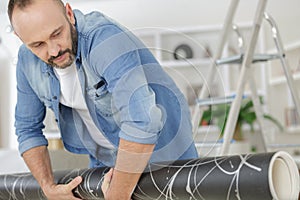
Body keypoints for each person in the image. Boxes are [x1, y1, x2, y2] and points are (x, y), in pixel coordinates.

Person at [8, 0, 198, 199]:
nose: (54, 51)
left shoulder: (104, 38)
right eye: (38, 44)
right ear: (20, 38)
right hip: (105, 164)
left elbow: (143, 120)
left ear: (69, 14)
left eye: (57, 34)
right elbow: (26, 127)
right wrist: (48, 187)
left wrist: (118, 193)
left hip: (164, 155)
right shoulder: (27, 61)